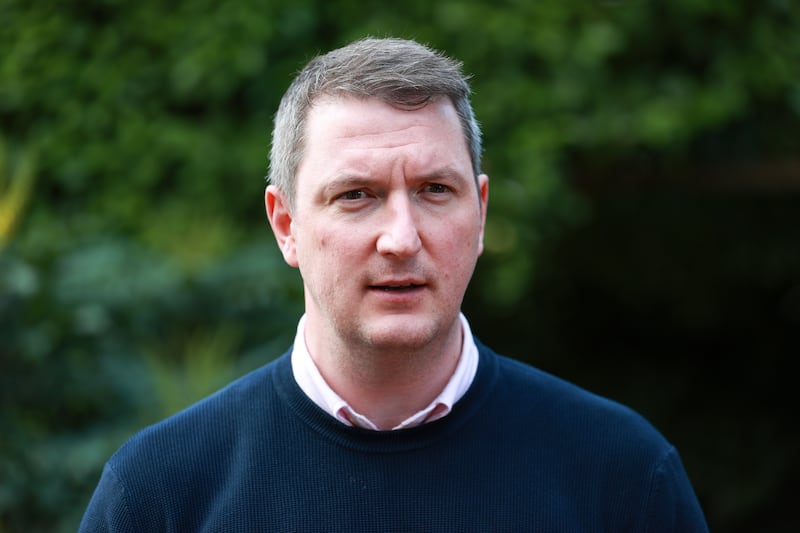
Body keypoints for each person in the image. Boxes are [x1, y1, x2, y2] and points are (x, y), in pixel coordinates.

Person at [79, 37, 709, 532]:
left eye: (436, 191)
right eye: (357, 195)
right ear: (286, 225)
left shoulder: (621, 475)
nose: (402, 237)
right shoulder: (160, 492)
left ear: (481, 213)